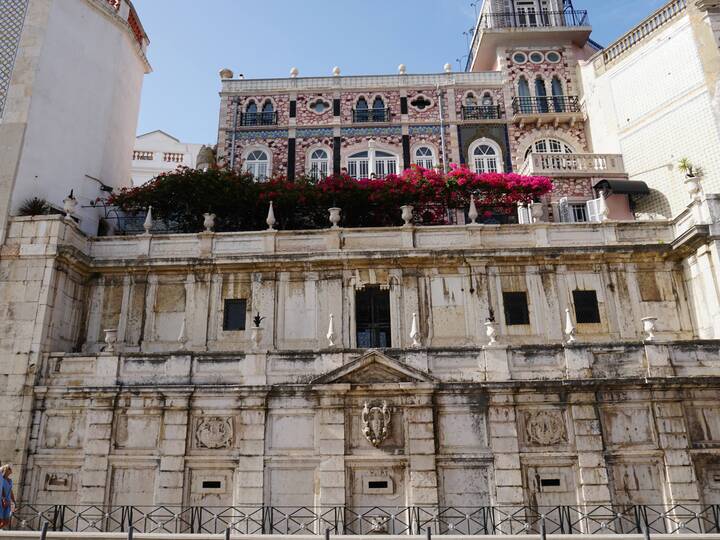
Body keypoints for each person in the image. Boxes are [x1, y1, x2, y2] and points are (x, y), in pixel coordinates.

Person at [0, 464, 15, 529]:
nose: (11, 470)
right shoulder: (2, 479)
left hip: (8, 501)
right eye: (10, 469)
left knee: (6, 521)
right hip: (2, 501)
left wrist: (13, 501)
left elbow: (11, 491)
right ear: (6, 470)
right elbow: (2, 489)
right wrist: (3, 499)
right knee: (1, 520)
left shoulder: (10, 480)